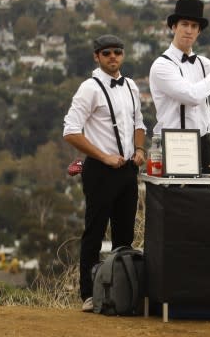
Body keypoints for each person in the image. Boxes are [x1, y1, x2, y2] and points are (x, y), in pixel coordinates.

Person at [63, 34, 146, 312]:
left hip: (127, 170)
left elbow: (139, 122)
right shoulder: (90, 88)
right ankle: (88, 294)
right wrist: (103, 156)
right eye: (107, 53)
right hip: (99, 170)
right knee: (94, 232)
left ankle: (121, 293)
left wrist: (139, 149)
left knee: (124, 236)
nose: (113, 57)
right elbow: (71, 131)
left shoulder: (132, 86)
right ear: (96, 57)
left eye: (118, 52)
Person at [149, 0, 210, 173]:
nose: (189, 30)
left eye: (194, 26)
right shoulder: (162, 65)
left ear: (199, 32)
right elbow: (192, 96)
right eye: (184, 24)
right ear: (174, 27)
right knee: (178, 197)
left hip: (204, 141)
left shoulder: (202, 62)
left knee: (204, 196)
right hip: (175, 142)